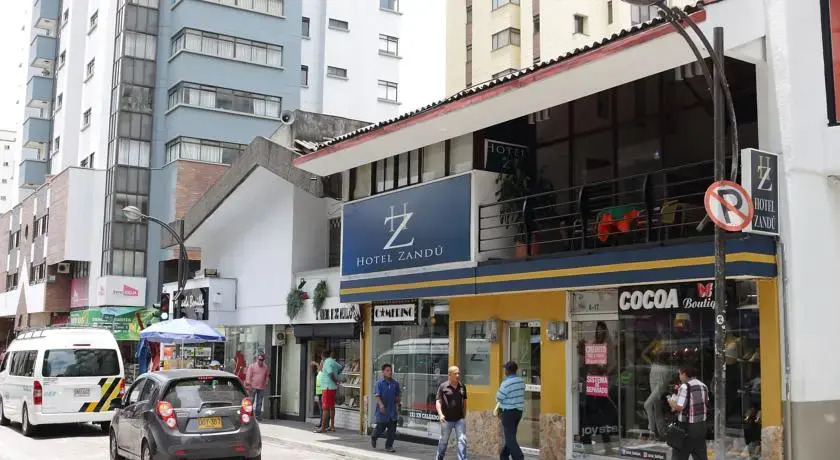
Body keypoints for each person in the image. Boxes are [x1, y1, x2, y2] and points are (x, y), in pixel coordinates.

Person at [669, 365, 709, 460]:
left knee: (679, 456)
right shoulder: (703, 386)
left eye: (680, 374)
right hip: (701, 426)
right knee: (700, 456)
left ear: (684, 374)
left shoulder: (685, 386)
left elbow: (679, 407)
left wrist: (670, 401)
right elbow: (706, 402)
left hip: (686, 427)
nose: (679, 376)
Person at [436, 366, 468, 460]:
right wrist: (440, 414)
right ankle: (439, 457)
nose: (458, 375)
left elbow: (464, 401)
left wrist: (464, 415)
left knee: (462, 440)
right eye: (455, 373)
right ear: (449, 375)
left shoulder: (462, 386)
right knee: (444, 441)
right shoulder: (443, 386)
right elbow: (438, 401)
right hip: (446, 419)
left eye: (458, 373)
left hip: (459, 419)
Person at [497, 361, 526, 460]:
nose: (504, 371)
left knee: (510, 439)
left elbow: (499, 397)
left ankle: (519, 457)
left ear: (508, 371)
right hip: (518, 412)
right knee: (511, 437)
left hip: (508, 413)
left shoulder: (506, 383)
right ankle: (504, 456)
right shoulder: (521, 381)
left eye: (505, 369)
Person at [371, 363, 401, 453]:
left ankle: (389, 446)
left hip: (392, 410)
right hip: (383, 411)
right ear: (383, 372)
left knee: (392, 430)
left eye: (391, 370)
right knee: (380, 428)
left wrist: (398, 404)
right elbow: (377, 396)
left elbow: (397, 396)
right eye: (387, 370)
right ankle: (374, 437)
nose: (390, 372)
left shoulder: (395, 383)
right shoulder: (379, 383)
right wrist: (381, 405)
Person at [644, 351, 672, 439]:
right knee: (657, 412)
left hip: (659, 390)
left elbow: (663, 383)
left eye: (659, 355)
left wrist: (658, 393)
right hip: (654, 389)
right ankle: (661, 433)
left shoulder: (665, 368)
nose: (657, 357)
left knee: (647, 405)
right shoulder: (654, 364)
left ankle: (651, 430)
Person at [316, 350, 342, 433]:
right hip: (332, 388)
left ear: (322, 356)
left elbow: (330, 373)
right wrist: (337, 375)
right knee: (331, 407)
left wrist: (335, 380)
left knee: (325, 408)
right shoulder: (333, 362)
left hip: (327, 387)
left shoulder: (326, 362)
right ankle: (332, 426)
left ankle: (323, 428)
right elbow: (341, 367)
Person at [245, 352, 270, 420]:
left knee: (259, 402)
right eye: (259, 359)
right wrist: (248, 384)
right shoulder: (252, 366)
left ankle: (257, 416)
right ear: (257, 359)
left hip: (261, 387)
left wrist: (266, 382)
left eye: (262, 360)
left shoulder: (265, 367)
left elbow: (267, 376)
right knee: (251, 401)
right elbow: (248, 375)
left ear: (263, 360)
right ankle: (248, 415)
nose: (260, 361)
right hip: (252, 386)